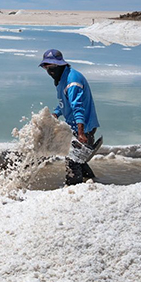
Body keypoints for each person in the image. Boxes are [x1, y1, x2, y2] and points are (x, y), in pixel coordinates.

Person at [38, 48, 100, 186]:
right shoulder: (62, 79)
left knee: (72, 162)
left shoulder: (72, 81)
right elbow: (64, 103)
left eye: (52, 67)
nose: (49, 71)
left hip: (84, 128)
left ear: (61, 65)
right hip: (75, 127)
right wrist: (55, 114)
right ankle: (93, 182)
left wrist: (81, 133)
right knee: (80, 160)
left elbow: (78, 107)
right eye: (46, 67)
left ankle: (72, 190)